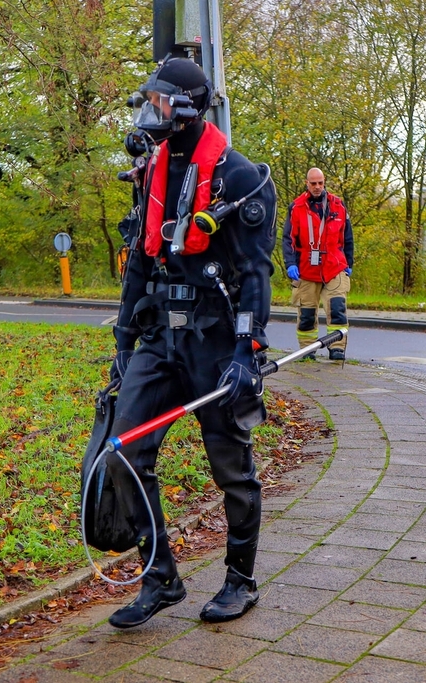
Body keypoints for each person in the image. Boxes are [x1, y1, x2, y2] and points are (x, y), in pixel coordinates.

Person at [105, 57, 277, 628]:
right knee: (126, 452)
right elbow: (139, 261)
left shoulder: (238, 176)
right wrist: (125, 338)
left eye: (158, 102)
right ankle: (161, 577)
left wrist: (247, 353)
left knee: (231, 465)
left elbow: (255, 273)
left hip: (214, 336)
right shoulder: (151, 168)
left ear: (184, 108)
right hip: (159, 333)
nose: (149, 112)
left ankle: (240, 580)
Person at [281, 168, 354, 360]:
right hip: (306, 267)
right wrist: (290, 263)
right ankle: (307, 350)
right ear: (307, 183)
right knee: (306, 312)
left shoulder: (338, 205)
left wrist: (349, 262)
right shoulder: (296, 207)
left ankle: (337, 347)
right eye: (313, 183)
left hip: (334, 265)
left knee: (337, 308)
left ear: (324, 182)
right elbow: (288, 239)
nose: (317, 187)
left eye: (320, 183)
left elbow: (347, 237)